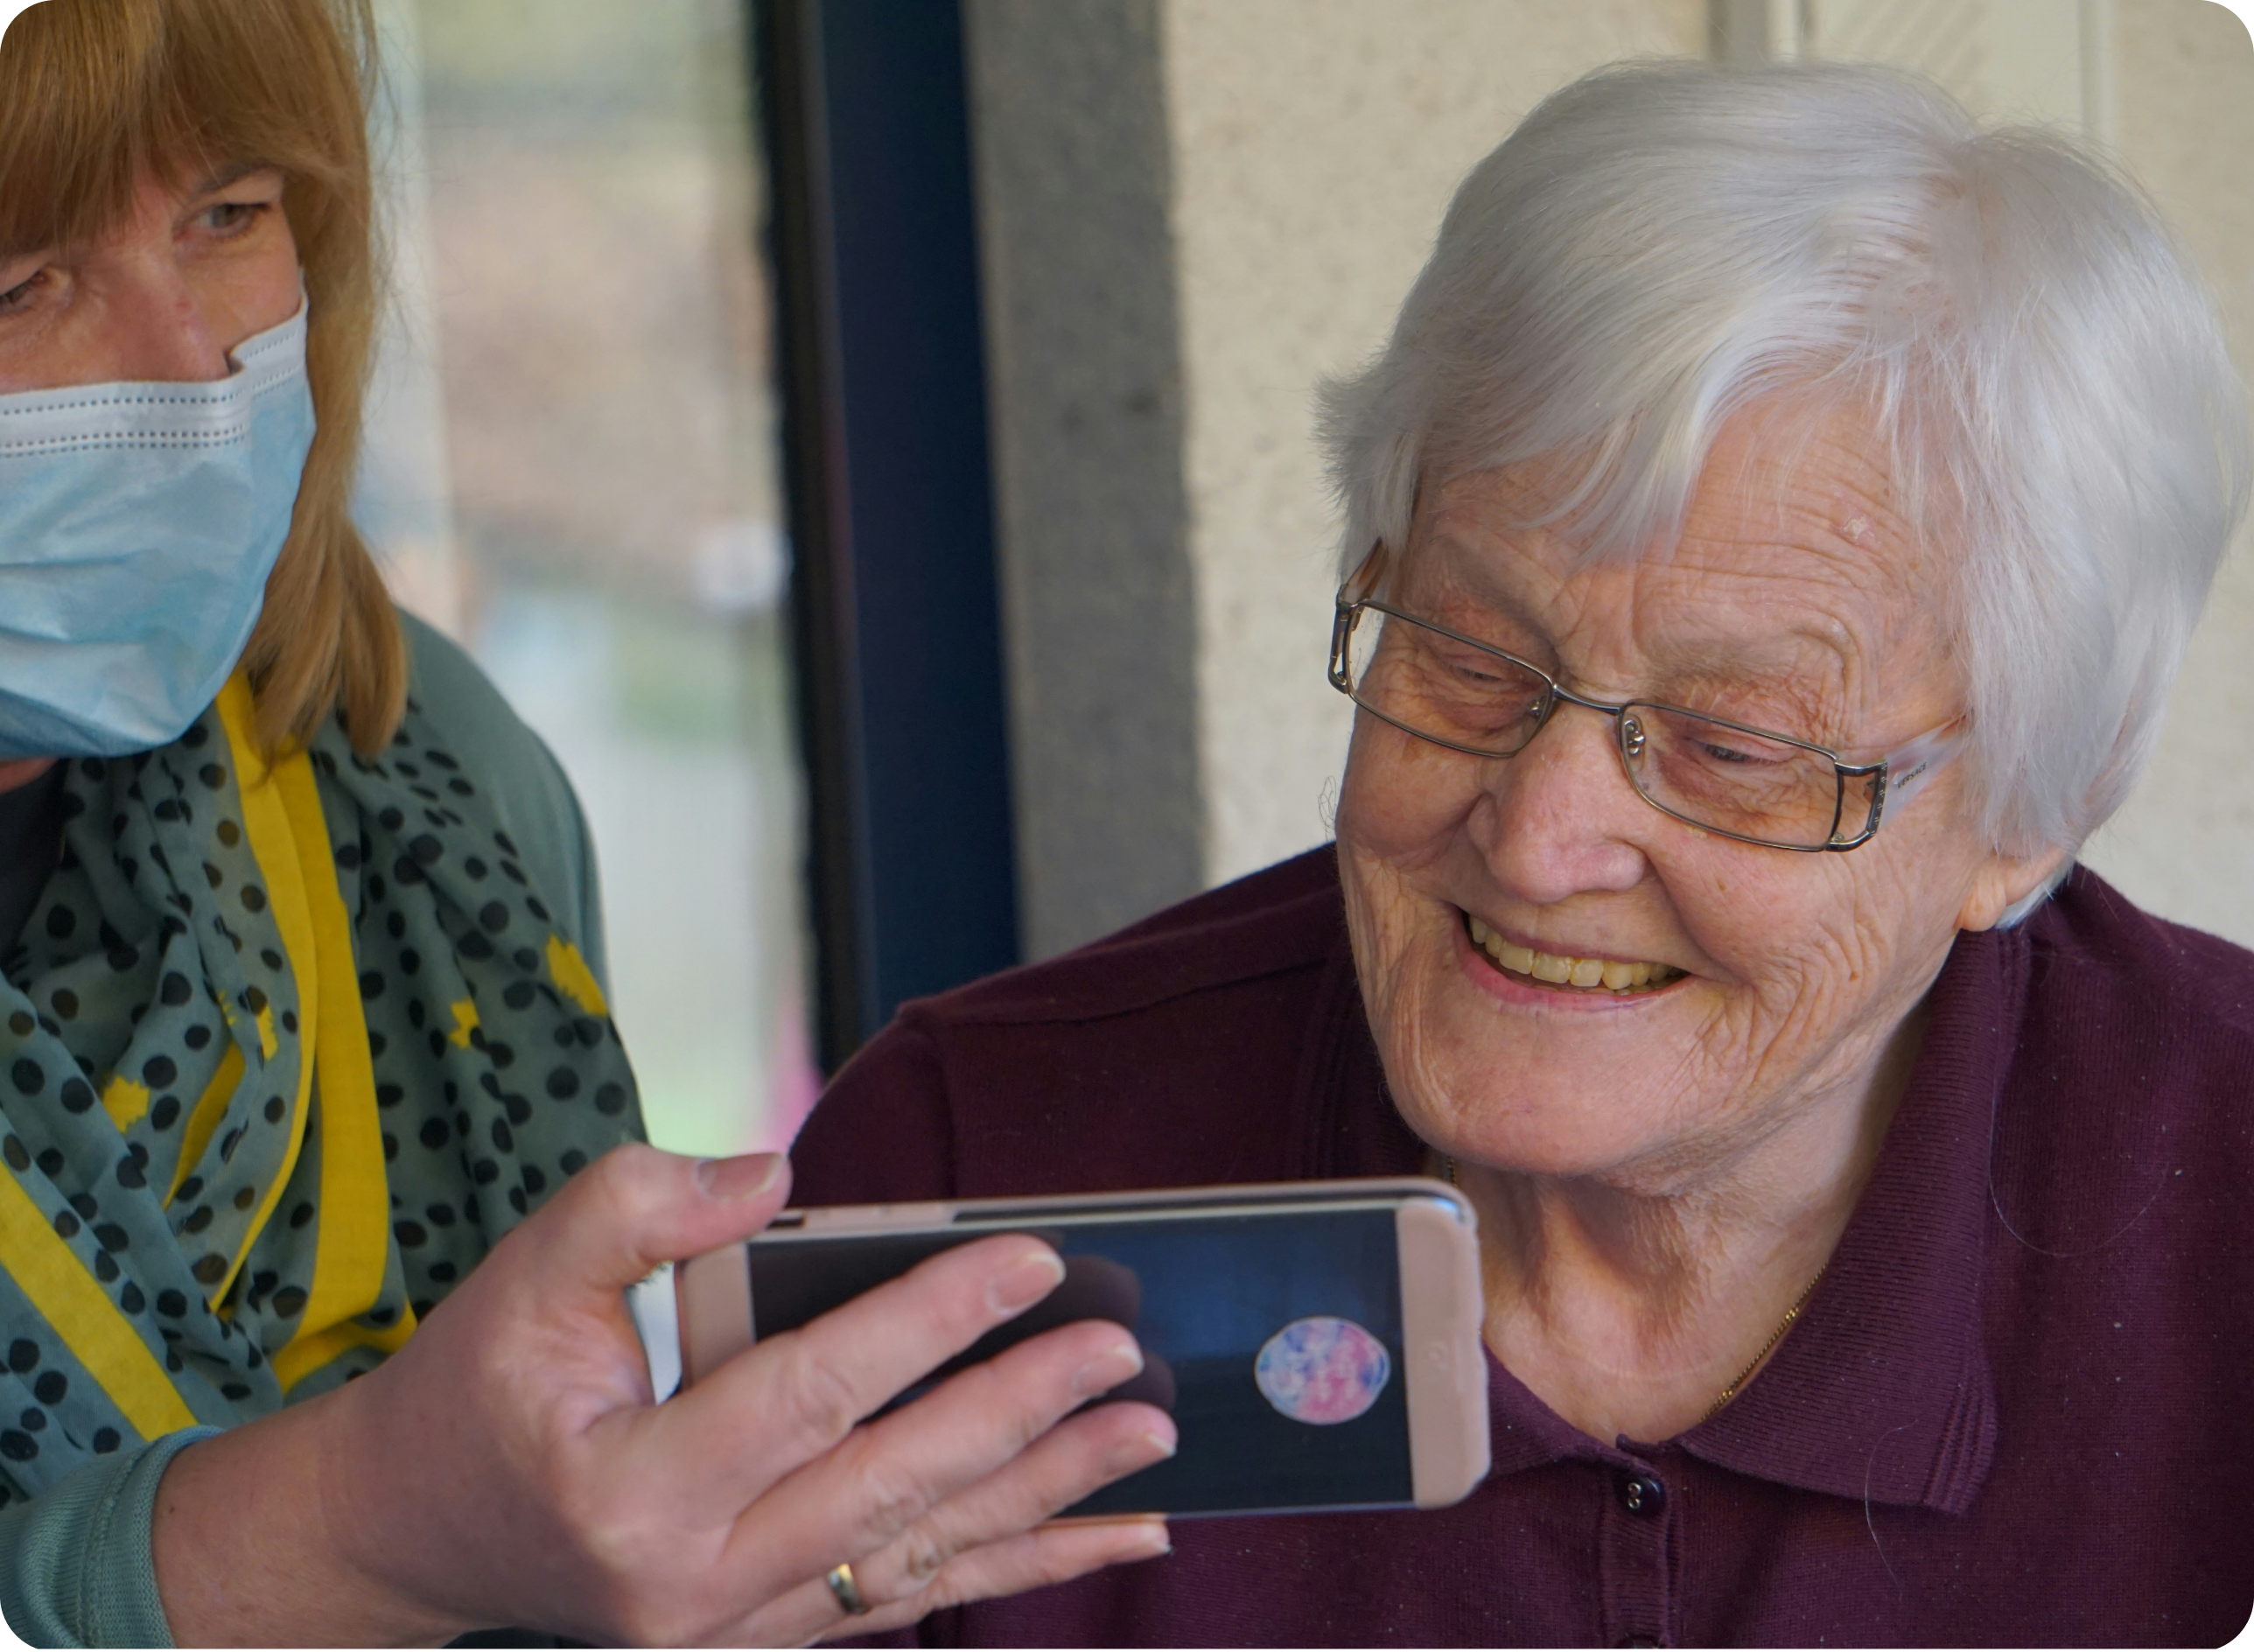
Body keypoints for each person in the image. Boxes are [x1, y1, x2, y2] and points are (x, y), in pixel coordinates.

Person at [790, 60, 2254, 1648]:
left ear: (2032, 815)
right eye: (1470, 657)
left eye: (1737, 747)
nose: (1540, 837)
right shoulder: (983, 1170)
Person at [0, 2, 1175, 1645]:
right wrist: (355, 1531)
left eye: (232, 214)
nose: (199, 358)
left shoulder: (410, 769)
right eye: (24, 284)